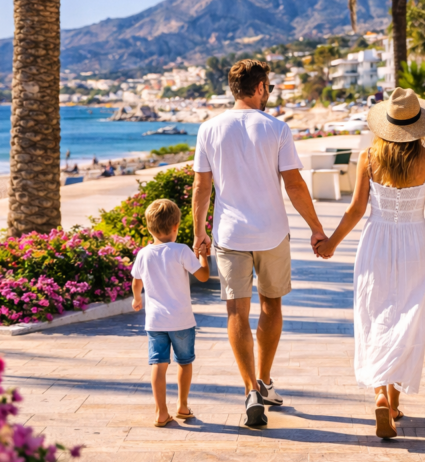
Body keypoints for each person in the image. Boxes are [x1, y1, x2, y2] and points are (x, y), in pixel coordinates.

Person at [191, 59, 326, 428]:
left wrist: (198, 232)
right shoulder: (277, 129)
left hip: (229, 235)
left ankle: (251, 388)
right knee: (271, 305)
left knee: (237, 312)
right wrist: (316, 228)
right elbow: (295, 186)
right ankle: (264, 381)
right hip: (271, 233)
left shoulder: (209, 129)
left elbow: (202, 187)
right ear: (261, 87)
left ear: (234, 89)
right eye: (268, 86)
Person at [315, 88, 425, 439]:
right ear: (419, 126)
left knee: (374, 313)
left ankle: (379, 393)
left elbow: (357, 209)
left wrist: (330, 242)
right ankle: (391, 402)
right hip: (414, 242)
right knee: (407, 317)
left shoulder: (369, 157)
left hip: (376, 241)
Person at [131, 199, 211, 427]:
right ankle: (183, 406)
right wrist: (203, 254)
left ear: (148, 228)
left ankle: (161, 413)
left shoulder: (144, 254)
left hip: (155, 322)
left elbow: (136, 282)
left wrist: (137, 299)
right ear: (176, 226)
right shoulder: (181, 251)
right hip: (182, 320)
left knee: (158, 364)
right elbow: (203, 276)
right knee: (184, 363)